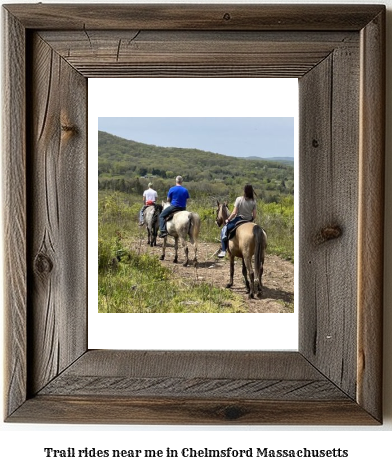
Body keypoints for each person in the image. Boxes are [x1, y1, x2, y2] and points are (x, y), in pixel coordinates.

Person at [217, 184, 257, 258]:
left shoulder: (239, 199)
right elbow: (254, 215)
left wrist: (228, 219)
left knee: (224, 230)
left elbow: (234, 212)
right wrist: (250, 219)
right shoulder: (253, 201)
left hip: (239, 219)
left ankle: (223, 250)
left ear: (244, 191)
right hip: (249, 220)